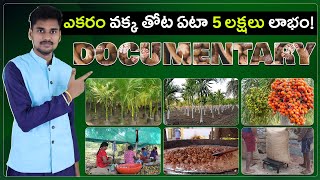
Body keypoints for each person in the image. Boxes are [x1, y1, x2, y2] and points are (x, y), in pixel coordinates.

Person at [3, 5, 92, 176]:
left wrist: (76, 165)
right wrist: (67, 96)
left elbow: (70, 124)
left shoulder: (67, 70)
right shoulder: (15, 68)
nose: (46, 37)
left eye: (53, 31)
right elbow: (25, 120)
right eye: (40, 30)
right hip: (27, 167)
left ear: (59, 35)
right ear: (30, 33)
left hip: (65, 167)